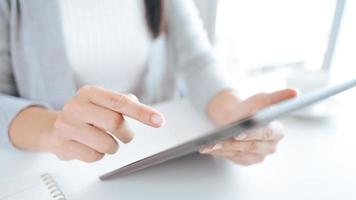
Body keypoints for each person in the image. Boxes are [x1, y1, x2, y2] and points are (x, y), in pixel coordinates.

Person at [0, 0, 296, 165]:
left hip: (153, 160)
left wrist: (234, 116)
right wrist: (52, 130)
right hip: (48, 167)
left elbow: (197, 61)